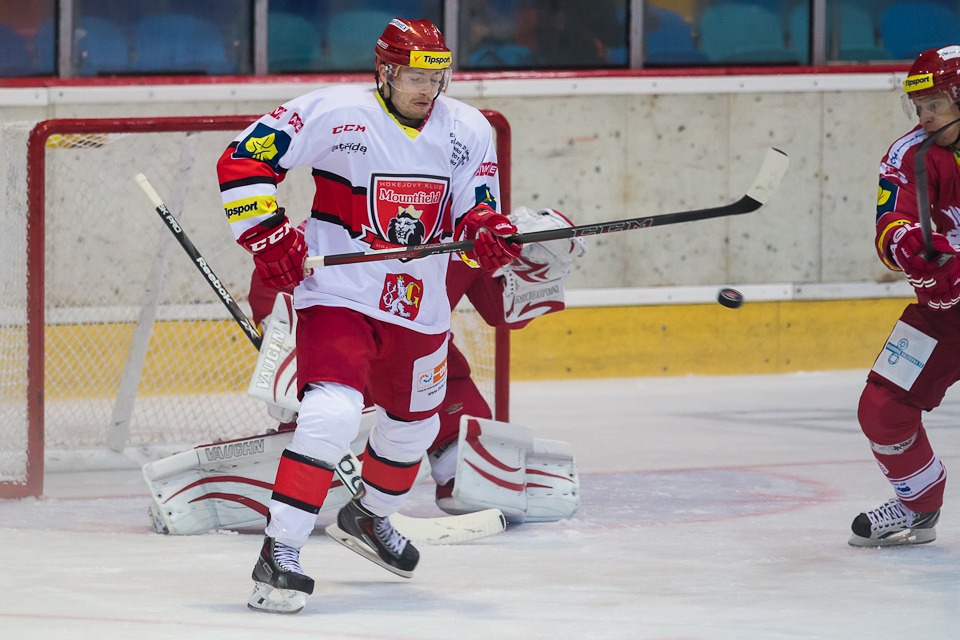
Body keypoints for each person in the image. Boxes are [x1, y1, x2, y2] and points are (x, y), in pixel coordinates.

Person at [217, 18, 522, 614]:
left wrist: (485, 236)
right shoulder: (334, 112)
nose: (427, 91)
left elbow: (475, 212)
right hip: (340, 293)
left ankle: (369, 517)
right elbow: (243, 161)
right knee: (330, 414)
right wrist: (267, 233)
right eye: (413, 77)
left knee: (414, 427)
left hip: (420, 301)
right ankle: (281, 552)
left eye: (436, 78)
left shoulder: (468, 128)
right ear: (384, 72)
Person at [851, 45, 960, 547]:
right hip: (945, 315)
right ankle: (919, 505)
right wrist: (906, 245)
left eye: (935, 104)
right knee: (882, 408)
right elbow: (892, 220)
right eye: (918, 106)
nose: (924, 117)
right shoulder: (911, 154)